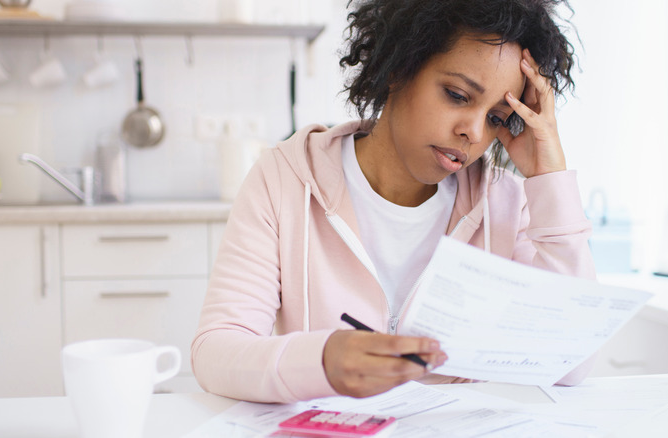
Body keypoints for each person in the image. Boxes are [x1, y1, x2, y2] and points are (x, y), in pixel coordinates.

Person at [192, 0, 596, 404]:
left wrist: (549, 178)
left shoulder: (506, 203)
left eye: (496, 118)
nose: (473, 132)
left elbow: (570, 361)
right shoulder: (284, 179)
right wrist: (322, 360)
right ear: (398, 68)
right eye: (457, 95)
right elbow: (215, 352)